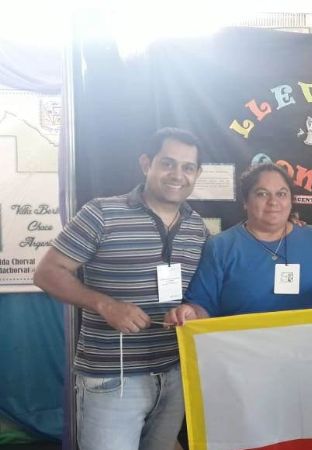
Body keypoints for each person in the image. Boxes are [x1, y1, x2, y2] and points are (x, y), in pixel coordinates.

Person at [33, 128, 207, 450]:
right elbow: (46, 273)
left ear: (197, 174)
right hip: (113, 376)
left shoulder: (197, 227)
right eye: (167, 163)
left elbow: (199, 295)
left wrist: (193, 311)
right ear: (146, 164)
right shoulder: (101, 212)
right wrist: (104, 304)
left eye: (188, 167)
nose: (177, 175)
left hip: (174, 373)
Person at [165, 163, 312, 323]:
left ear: (291, 201)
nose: (273, 202)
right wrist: (190, 313)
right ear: (246, 202)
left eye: (281, 194)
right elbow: (202, 306)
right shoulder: (220, 247)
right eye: (262, 193)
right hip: (242, 353)